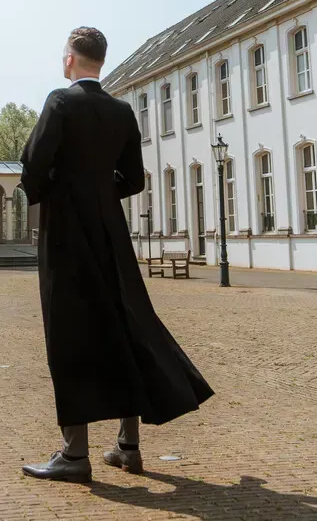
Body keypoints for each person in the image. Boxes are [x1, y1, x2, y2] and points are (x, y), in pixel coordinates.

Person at [20, 27, 214, 483]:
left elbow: (33, 162)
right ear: (101, 61)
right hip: (111, 232)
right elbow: (135, 179)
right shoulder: (122, 111)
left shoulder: (60, 102)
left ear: (70, 59)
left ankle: (74, 454)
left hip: (67, 234)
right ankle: (128, 445)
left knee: (70, 334)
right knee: (126, 323)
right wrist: (101, 192)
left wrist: (56, 191)